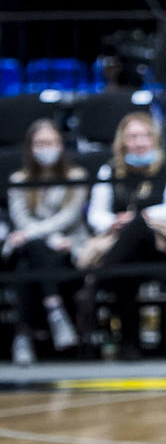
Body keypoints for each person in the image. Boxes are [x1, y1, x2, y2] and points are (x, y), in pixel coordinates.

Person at [83, 112, 166, 359]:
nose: (139, 141)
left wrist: (139, 216)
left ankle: (99, 279)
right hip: (125, 253)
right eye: (132, 136)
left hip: (162, 250)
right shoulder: (109, 169)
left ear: (154, 138)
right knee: (126, 270)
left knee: (138, 227)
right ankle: (130, 344)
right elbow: (95, 214)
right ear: (122, 141)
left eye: (145, 135)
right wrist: (114, 220)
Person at [4, 118, 87, 364]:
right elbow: (20, 218)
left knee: (27, 263)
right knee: (29, 255)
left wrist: (39, 237)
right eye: (40, 143)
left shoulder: (76, 175)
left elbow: (69, 217)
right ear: (30, 147)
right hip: (34, 247)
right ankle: (55, 310)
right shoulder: (19, 179)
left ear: (61, 144)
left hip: (66, 249)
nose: (45, 147)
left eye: (50, 142)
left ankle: (22, 336)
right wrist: (41, 238)